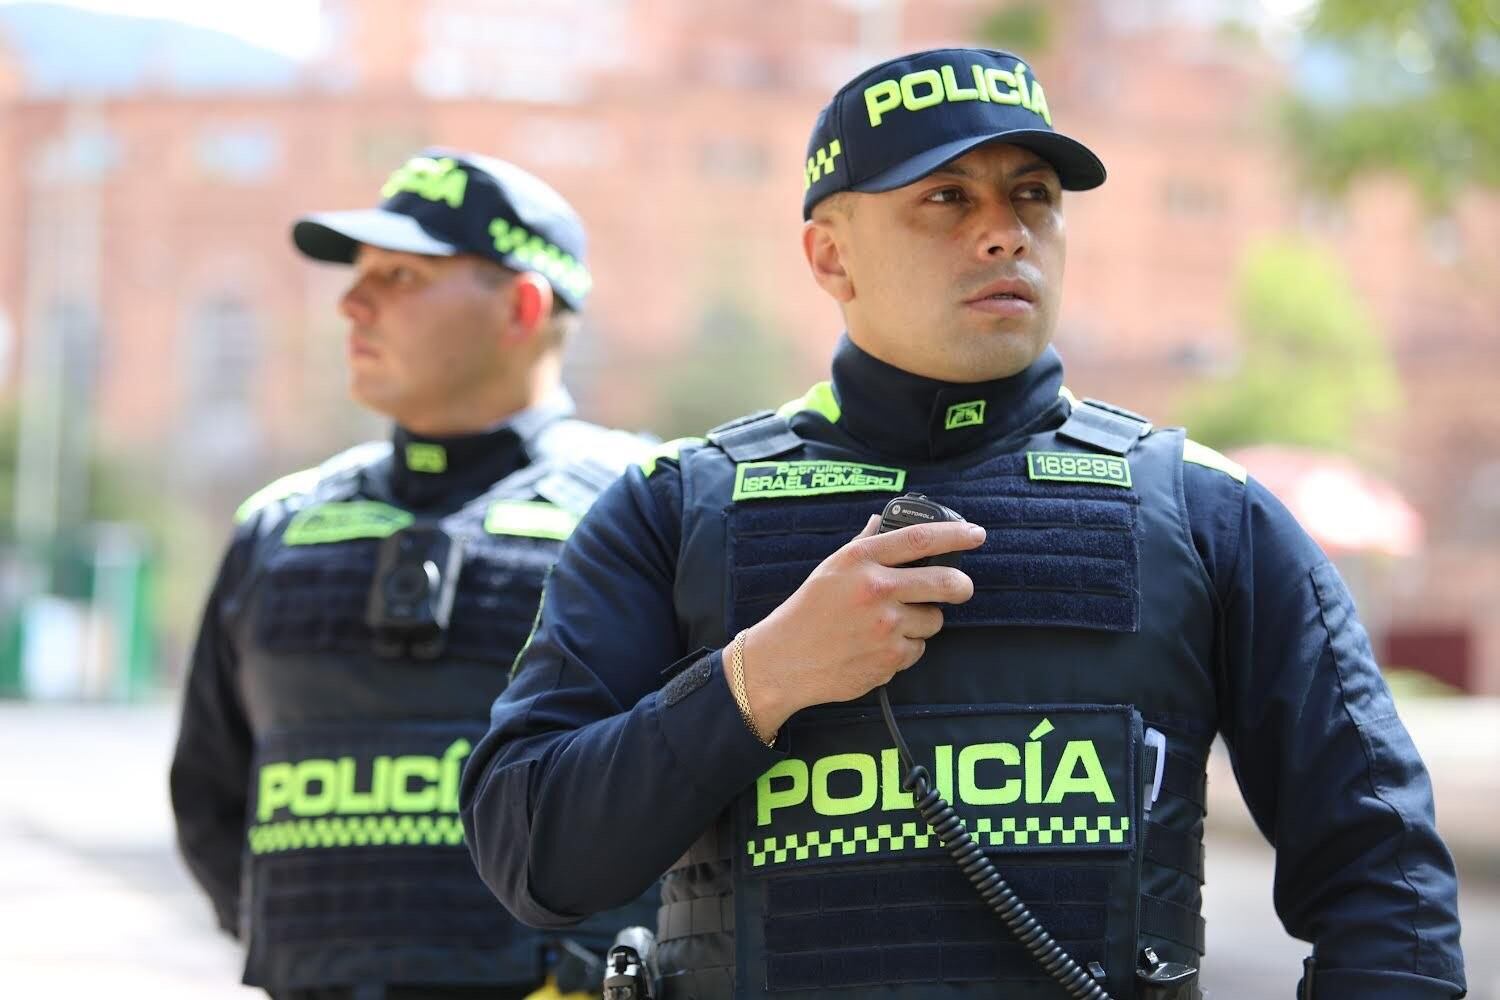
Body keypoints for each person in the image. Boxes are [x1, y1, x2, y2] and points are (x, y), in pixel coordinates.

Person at [459, 48, 1466, 1000]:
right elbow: (531, 855)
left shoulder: (1208, 512)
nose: (1004, 232)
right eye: (947, 197)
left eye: (1033, 195)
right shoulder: (673, 508)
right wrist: (761, 679)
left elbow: (1388, 883)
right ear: (830, 255)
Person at [171, 149, 656, 1000]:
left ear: (522, 306)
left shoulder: (651, 508)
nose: (351, 302)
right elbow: (209, 798)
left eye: (400, 276)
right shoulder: (278, 526)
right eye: (358, 274)